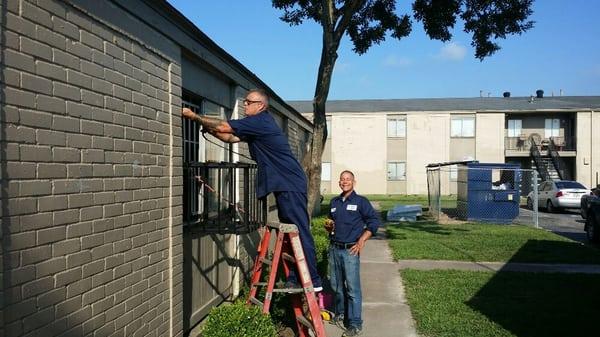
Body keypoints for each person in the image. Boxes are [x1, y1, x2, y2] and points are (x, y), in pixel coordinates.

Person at [181, 89, 322, 291]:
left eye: (248, 102)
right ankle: (295, 276)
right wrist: (206, 127)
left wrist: (193, 116)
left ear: (261, 106)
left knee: (299, 231)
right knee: (291, 232)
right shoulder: (256, 126)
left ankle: (313, 280)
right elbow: (229, 138)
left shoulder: (261, 121)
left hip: (289, 183)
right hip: (284, 185)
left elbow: (223, 126)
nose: (245, 104)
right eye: (245, 101)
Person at [325, 170, 380, 337]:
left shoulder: (361, 202)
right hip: (335, 249)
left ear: (353, 182)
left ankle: (355, 323)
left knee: (353, 289)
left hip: (350, 250)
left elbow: (373, 222)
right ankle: (341, 313)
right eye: (342, 179)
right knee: (336, 286)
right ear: (339, 182)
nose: (344, 182)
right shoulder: (334, 202)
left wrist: (362, 240)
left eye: (348, 179)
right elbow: (331, 222)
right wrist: (329, 227)